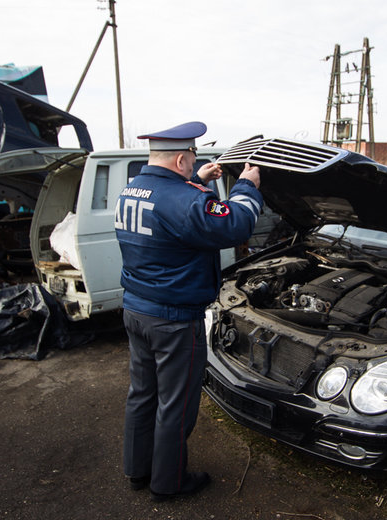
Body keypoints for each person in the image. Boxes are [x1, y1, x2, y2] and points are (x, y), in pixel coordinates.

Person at [115, 121, 263, 501]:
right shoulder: (182, 200)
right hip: (174, 320)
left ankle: (137, 470)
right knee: (176, 405)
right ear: (181, 157)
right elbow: (235, 224)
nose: (193, 164)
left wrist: (198, 177)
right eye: (192, 159)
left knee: (142, 395)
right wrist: (247, 185)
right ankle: (169, 483)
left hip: (137, 311)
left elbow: (175, 205)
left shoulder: (132, 189)